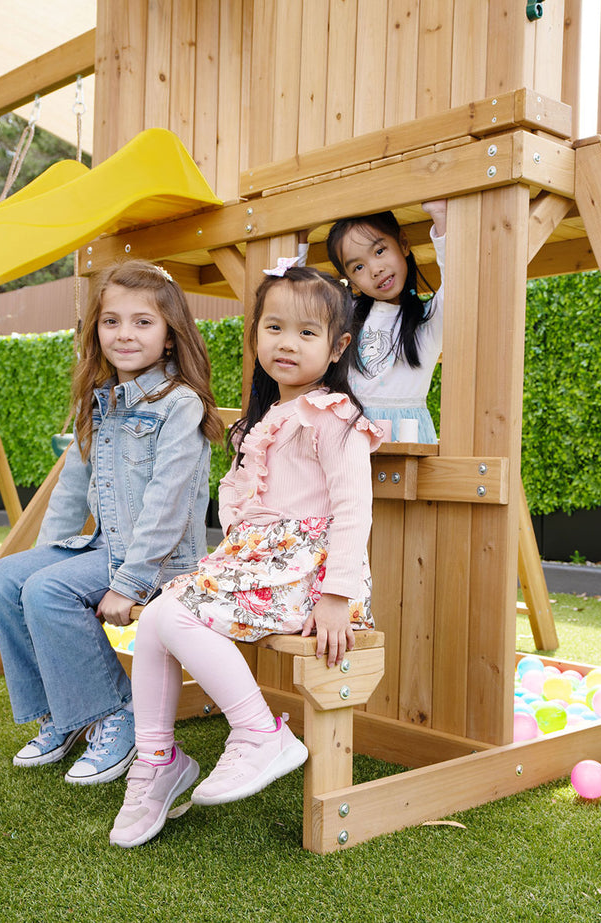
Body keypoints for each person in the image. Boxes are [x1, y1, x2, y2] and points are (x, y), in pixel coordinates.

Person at [109, 264, 382, 848]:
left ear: (338, 347)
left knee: (172, 611)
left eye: (307, 334)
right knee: (157, 615)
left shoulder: (335, 420)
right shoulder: (263, 422)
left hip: (305, 573)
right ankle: (156, 761)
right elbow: (242, 515)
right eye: (274, 327)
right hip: (260, 563)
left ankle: (259, 733)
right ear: (256, 334)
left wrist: (338, 596)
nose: (286, 343)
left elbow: (353, 511)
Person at [0, 260, 223, 786]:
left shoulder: (179, 405)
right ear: (96, 329)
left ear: (169, 336)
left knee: (47, 592)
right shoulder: (98, 403)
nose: (124, 333)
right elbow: (70, 491)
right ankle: (65, 715)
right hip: (102, 546)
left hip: (159, 561)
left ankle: (120, 713)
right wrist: (35, 563)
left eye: (143, 322)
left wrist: (130, 582)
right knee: (7, 577)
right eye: (111, 321)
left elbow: (168, 503)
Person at [326, 200, 447, 443]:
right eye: (358, 267)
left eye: (379, 251)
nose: (375, 270)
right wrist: (299, 242)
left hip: (408, 439)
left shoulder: (430, 319)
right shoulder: (346, 314)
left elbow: (457, 277)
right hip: (349, 437)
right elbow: (297, 307)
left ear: (403, 243)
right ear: (351, 280)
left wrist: (440, 216)